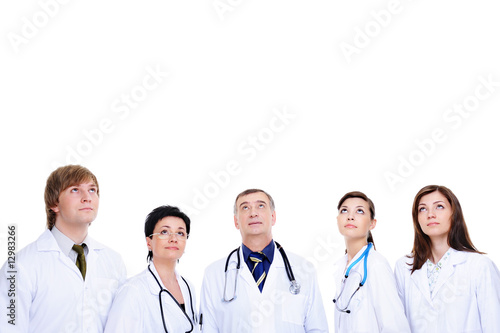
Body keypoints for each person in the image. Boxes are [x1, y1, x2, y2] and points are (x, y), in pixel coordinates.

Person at [0, 165, 127, 333]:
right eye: (75, 190)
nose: (87, 197)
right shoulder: (20, 266)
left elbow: (122, 325)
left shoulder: (113, 261)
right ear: (54, 204)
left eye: (92, 190)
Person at [199, 189, 328, 333]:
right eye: (245, 207)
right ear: (236, 221)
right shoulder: (214, 274)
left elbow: (317, 328)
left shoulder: (303, 269)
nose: (253, 213)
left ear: (273, 217)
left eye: (260, 206)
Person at [394, 185, 500, 332]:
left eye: (439, 207)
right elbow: (398, 325)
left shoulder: (479, 266)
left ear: (454, 213)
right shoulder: (404, 267)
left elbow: (493, 324)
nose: (430, 214)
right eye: (422, 209)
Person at [105, 205, 198, 332]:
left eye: (180, 233)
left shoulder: (188, 288)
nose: (173, 239)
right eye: (164, 232)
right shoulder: (133, 291)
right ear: (149, 242)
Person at [332, 191, 410, 332]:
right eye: (344, 211)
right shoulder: (340, 267)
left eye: (359, 211)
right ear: (337, 219)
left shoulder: (376, 265)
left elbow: (395, 326)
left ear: (372, 224)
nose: (350, 216)